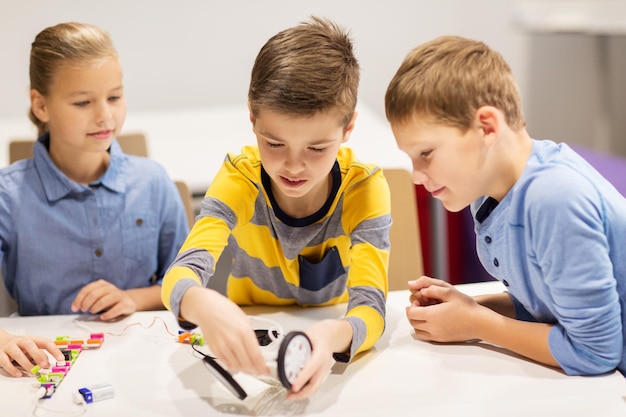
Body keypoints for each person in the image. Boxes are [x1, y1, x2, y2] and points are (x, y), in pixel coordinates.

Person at [162, 16, 391, 399]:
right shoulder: (239, 177)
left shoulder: (364, 189)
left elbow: (371, 308)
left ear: (348, 129)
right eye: (274, 143)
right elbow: (184, 269)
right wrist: (200, 302)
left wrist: (332, 336)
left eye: (317, 148)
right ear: (252, 117)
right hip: (251, 342)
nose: (294, 165)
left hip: (327, 335)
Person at [385, 35, 626, 376]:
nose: (416, 176)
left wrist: (477, 324)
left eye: (426, 153)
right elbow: (550, 305)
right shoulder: (488, 188)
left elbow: (595, 352)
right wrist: (468, 308)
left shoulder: (554, 198)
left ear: (486, 127)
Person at [0, 22, 189, 377]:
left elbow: (186, 283)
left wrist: (134, 297)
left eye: (114, 97)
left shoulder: (153, 184)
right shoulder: (7, 197)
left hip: (141, 362)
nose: (105, 115)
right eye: (83, 102)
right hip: (44, 365)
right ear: (41, 105)